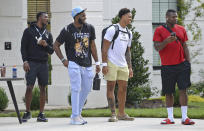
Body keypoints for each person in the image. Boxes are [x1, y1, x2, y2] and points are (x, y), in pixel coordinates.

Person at [53, 6, 100, 125]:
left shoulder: (89, 28)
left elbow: (93, 46)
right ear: (76, 16)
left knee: (87, 88)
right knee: (76, 88)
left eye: (85, 14)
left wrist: (97, 62)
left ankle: (77, 113)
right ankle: (75, 117)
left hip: (87, 63)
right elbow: (56, 45)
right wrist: (63, 60)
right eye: (82, 14)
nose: (85, 16)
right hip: (73, 63)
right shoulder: (67, 29)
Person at [153, 9, 195, 125]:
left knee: (183, 90)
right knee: (168, 92)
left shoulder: (181, 29)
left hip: (182, 65)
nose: (175, 19)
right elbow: (157, 47)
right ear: (167, 17)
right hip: (167, 66)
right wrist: (166, 41)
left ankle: (185, 117)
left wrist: (188, 62)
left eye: (176, 17)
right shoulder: (159, 30)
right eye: (172, 17)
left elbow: (185, 46)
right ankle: (170, 118)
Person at [102, 8, 134, 122]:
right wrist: (104, 64)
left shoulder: (129, 32)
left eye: (131, 17)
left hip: (123, 64)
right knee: (110, 87)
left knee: (123, 88)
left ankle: (121, 113)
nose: (131, 18)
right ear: (123, 16)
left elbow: (127, 51)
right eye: (129, 16)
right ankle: (113, 114)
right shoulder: (112, 29)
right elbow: (104, 48)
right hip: (111, 62)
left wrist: (130, 67)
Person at [20, 12, 54, 122]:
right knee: (29, 87)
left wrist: (45, 45)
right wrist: (25, 61)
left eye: (47, 17)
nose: (47, 19)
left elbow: (52, 50)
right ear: (39, 18)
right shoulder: (28, 31)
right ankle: (27, 112)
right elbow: (23, 48)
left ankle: (41, 114)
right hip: (31, 63)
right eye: (45, 17)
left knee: (43, 88)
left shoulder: (48, 34)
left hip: (44, 63)